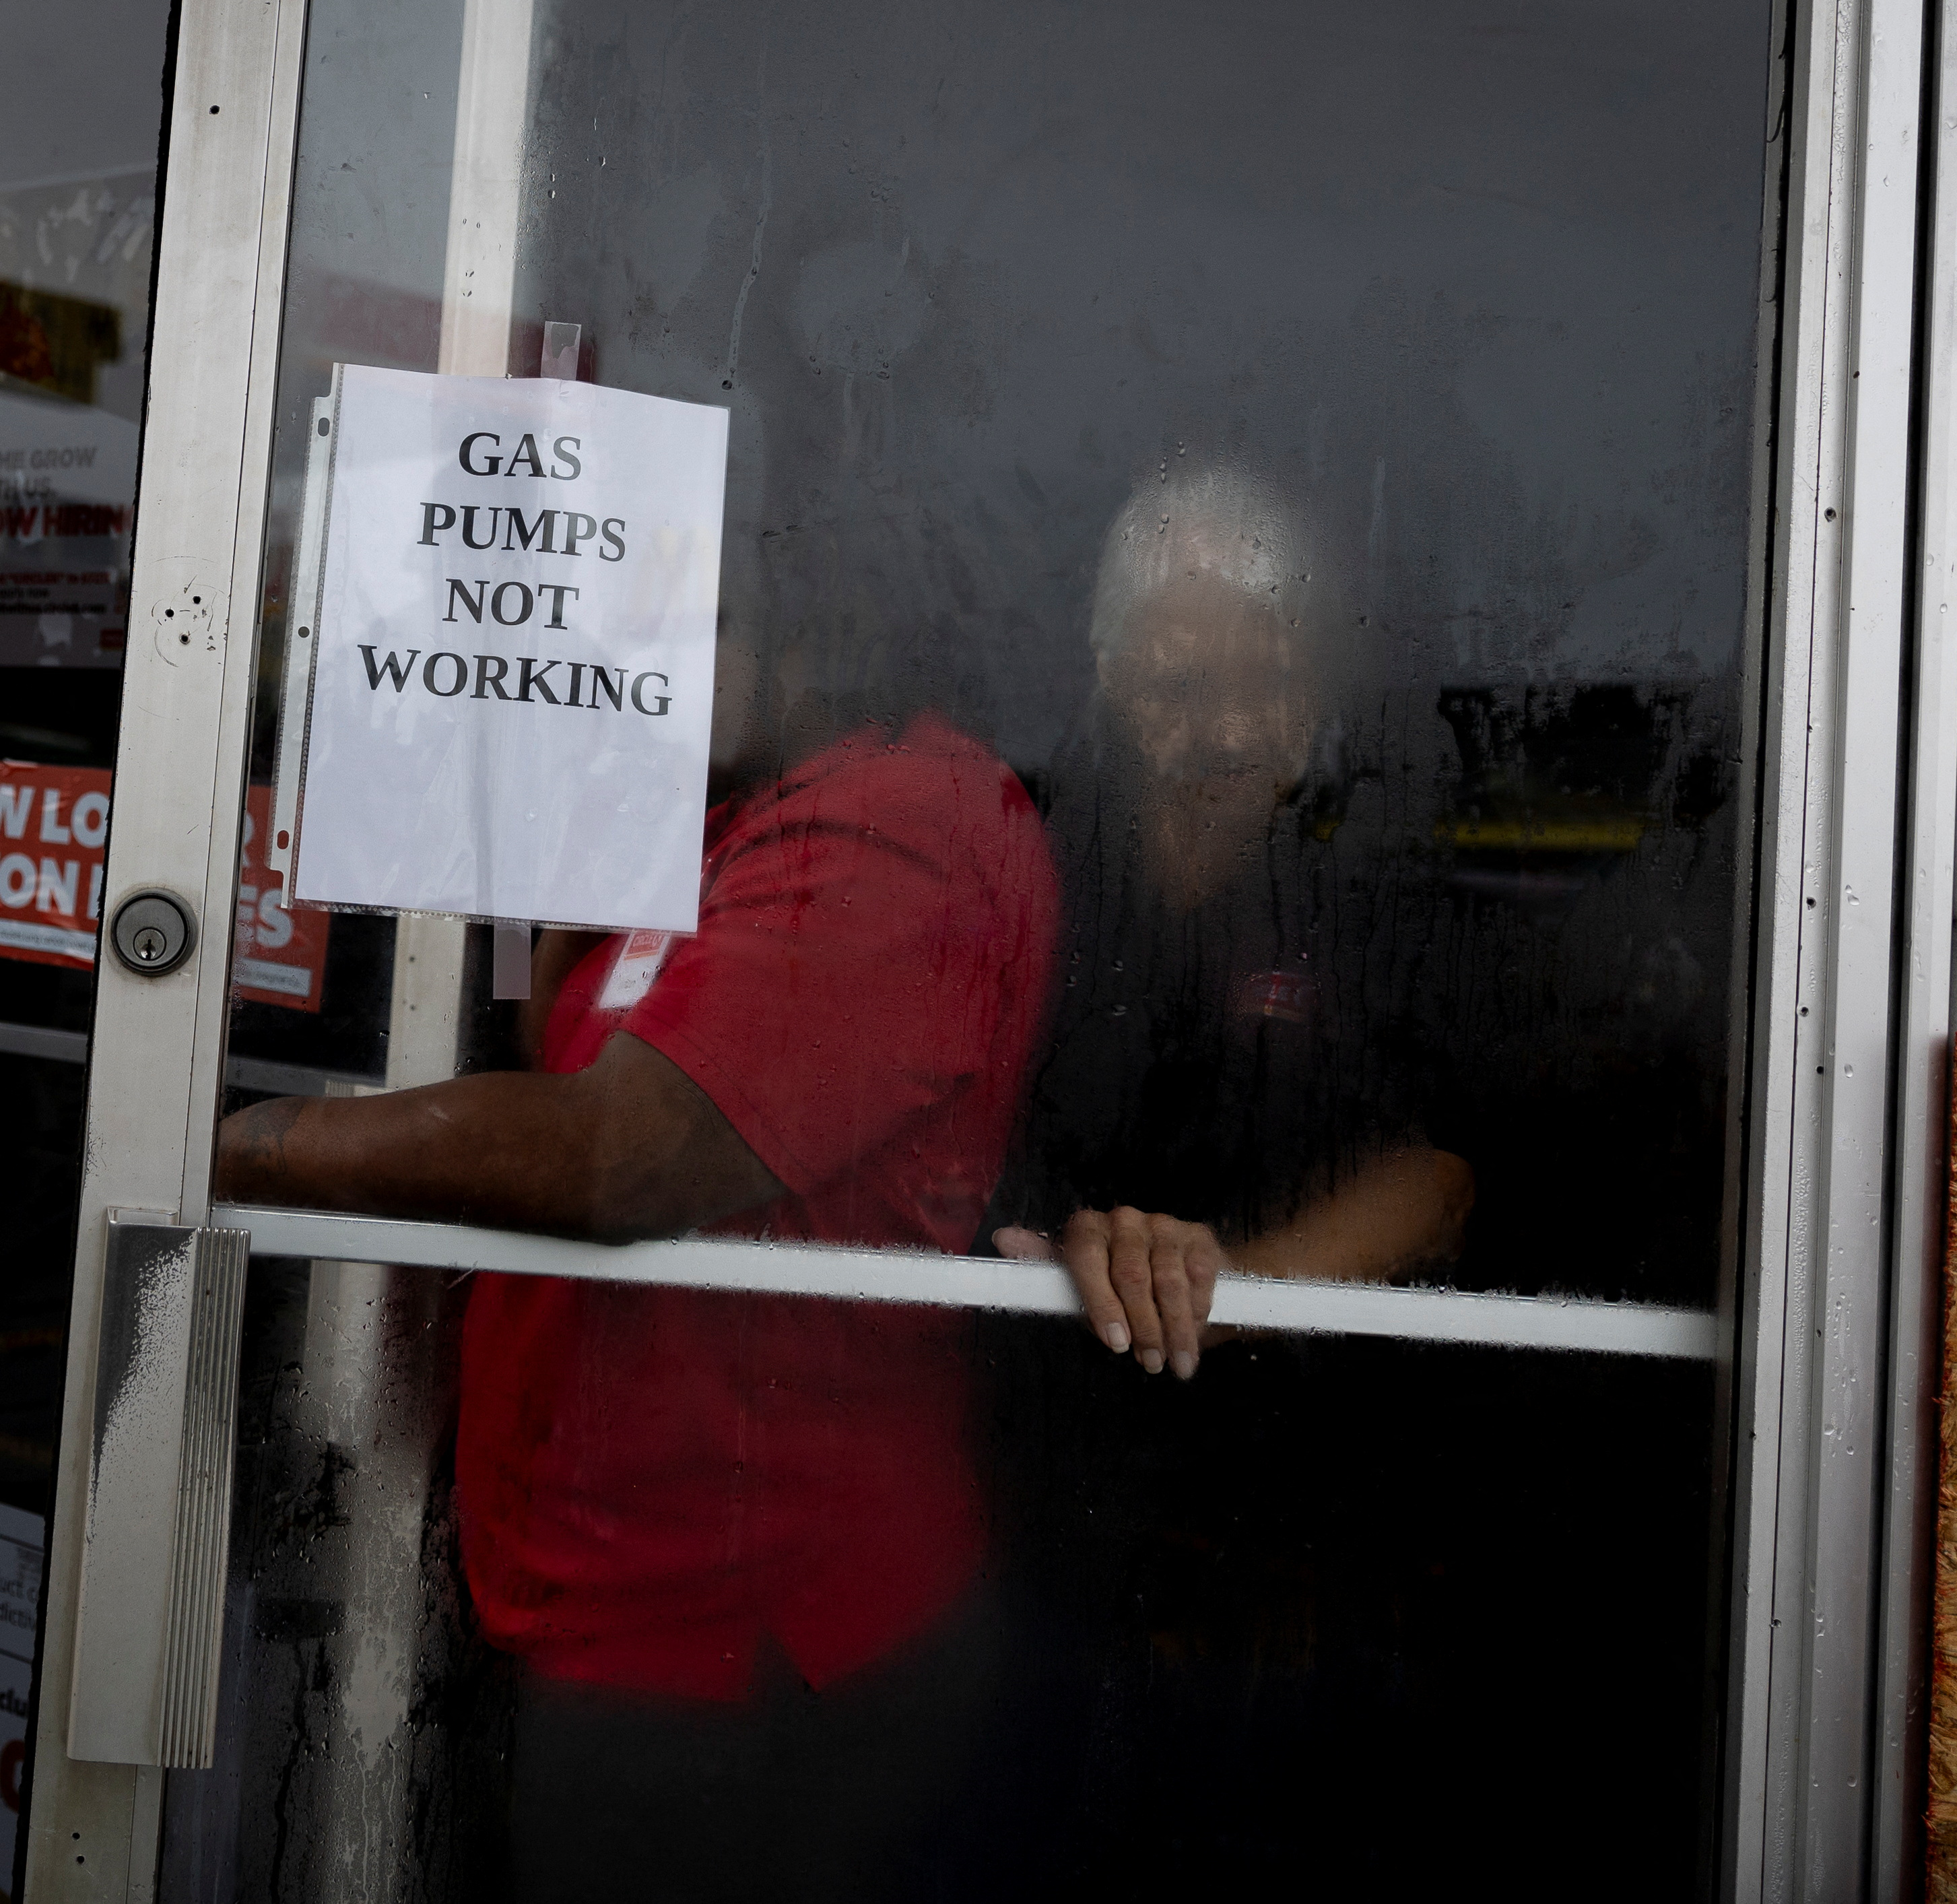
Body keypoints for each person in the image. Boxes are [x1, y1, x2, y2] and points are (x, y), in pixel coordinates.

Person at [215, 608, 1059, 1902]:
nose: (629, 654)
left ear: (822, 601)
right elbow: (558, 1045)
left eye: (691, 617)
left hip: (743, 1631)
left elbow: (627, 1152)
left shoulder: (911, 817)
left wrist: (252, 1147)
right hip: (594, 1582)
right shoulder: (715, 804)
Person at [991, 466, 1473, 1358]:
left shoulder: (1358, 907)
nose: (1236, 731)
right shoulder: (1030, 885)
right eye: (1185, 687)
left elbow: (1434, 1180)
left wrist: (1211, 1292)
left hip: (1291, 1442)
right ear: (1111, 683)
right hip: (1043, 1421)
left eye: (1275, 682)